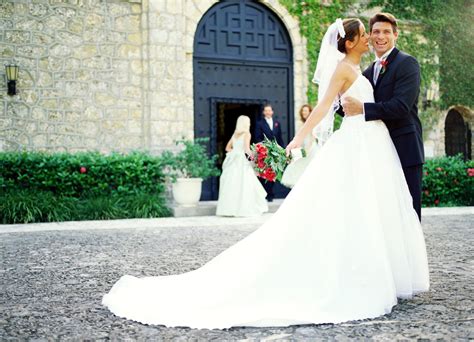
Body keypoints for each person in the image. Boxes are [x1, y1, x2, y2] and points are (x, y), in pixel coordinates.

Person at [102, 18, 429, 329]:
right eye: (366, 33)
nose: (372, 38)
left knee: (370, 209)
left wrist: (356, 109)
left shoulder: (366, 69)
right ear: (353, 41)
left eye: (379, 32)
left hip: (373, 144)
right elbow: (324, 107)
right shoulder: (346, 69)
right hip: (356, 143)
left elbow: (381, 105)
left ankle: (376, 272)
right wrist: (299, 138)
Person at [341, 13, 424, 221]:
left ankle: (411, 254)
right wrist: (338, 101)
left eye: (386, 32)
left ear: (395, 35)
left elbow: (401, 106)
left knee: (409, 211)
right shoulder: (368, 72)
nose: (381, 36)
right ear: (369, 36)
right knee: (387, 213)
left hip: (405, 147)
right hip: (378, 151)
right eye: (376, 31)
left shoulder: (407, 64)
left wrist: (363, 108)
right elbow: (354, 106)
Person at [216, 115, 268, 217]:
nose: (249, 124)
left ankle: (228, 210)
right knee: (245, 183)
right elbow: (246, 150)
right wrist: (257, 156)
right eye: (248, 122)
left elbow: (227, 148)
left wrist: (235, 152)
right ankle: (243, 209)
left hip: (233, 161)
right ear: (245, 123)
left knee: (232, 183)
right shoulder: (247, 134)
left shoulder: (235, 134)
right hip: (241, 161)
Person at [254, 104, 284, 201]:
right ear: (263, 112)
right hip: (264, 152)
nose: (268, 112)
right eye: (266, 110)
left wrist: (282, 150)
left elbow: (279, 138)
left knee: (273, 172)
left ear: (272, 112)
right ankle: (266, 194)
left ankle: (270, 194)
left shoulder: (277, 123)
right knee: (264, 173)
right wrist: (263, 148)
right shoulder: (259, 123)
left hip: (275, 152)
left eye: (269, 110)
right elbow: (258, 137)